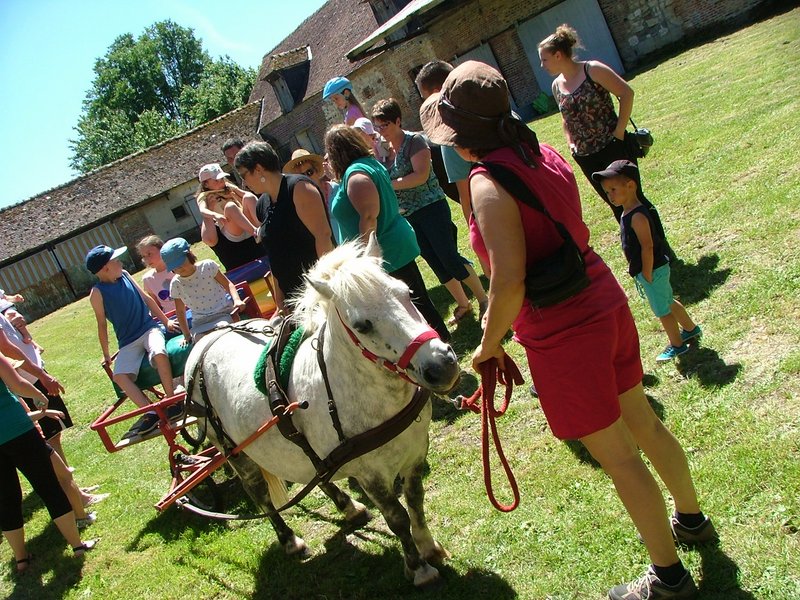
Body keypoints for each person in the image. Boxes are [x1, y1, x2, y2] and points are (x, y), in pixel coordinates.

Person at [420, 61, 716, 600]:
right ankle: (691, 519)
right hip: (601, 296)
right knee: (644, 424)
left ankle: (669, 578)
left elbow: (509, 281)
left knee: (620, 456)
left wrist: (488, 345)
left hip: (562, 327)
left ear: (461, 137)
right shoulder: (541, 151)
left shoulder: (487, 183)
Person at [538, 24, 675, 259]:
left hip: (613, 147)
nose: (542, 65)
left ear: (558, 55)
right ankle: (639, 255)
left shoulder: (592, 70)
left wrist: (619, 132)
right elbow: (565, 118)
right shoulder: (556, 86)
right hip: (586, 156)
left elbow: (626, 93)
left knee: (634, 200)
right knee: (615, 204)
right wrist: (571, 142)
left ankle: (661, 251)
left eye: (544, 59)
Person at [323, 124, 450, 341]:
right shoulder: (366, 165)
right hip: (392, 246)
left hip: (386, 252)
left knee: (413, 306)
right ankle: (440, 341)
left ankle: (441, 343)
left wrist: (366, 260)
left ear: (336, 153)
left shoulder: (356, 175)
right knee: (416, 302)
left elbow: (369, 217)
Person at [372, 98, 488, 325]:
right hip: (409, 215)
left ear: (398, 121)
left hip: (431, 208)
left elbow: (421, 175)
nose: (381, 131)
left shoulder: (415, 141)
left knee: (449, 257)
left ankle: (483, 299)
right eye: (378, 126)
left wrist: (388, 184)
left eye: (385, 125)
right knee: (434, 262)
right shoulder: (384, 151)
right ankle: (463, 304)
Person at [592, 161, 702, 362]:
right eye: (607, 192)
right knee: (667, 300)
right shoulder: (627, 212)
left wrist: (647, 272)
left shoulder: (637, 216)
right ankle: (690, 328)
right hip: (653, 270)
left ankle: (677, 345)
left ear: (630, 185)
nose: (610, 195)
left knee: (662, 310)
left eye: (613, 189)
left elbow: (647, 246)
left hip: (652, 270)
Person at [0, 352, 97, 573]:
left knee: (7, 499)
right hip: (18, 429)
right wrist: (39, 396)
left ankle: (21, 559)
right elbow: (17, 383)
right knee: (48, 486)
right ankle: (77, 546)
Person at [86, 245, 180, 439]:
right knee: (120, 376)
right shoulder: (97, 293)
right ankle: (151, 411)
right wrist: (106, 354)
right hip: (127, 341)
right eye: (115, 261)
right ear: (105, 268)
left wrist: (166, 321)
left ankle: (171, 400)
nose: (120, 263)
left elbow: (147, 299)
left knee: (159, 352)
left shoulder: (126, 276)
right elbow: (101, 324)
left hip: (148, 328)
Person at [234, 141, 335, 312]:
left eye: (244, 175)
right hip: (292, 298)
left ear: (258, 169)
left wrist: (326, 286)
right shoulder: (262, 204)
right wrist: (279, 299)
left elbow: (323, 237)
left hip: (320, 291)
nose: (244, 184)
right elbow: (274, 255)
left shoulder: (299, 188)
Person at [0, 313, 73, 465]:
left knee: (53, 434)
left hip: (30, 376)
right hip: (26, 380)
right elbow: (5, 347)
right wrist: (41, 375)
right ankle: (64, 479)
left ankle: (66, 478)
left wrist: (16, 322)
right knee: (47, 436)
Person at [160, 237, 245, 343]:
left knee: (224, 331)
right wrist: (186, 334)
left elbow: (228, 284)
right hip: (200, 322)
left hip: (223, 312)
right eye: (174, 267)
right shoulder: (176, 284)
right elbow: (180, 311)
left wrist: (237, 300)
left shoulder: (208, 266)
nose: (179, 269)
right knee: (199, 340)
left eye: (181, 264)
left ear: (190, 254)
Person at [136, 236, 175, 314]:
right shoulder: (148, 279)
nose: (146, 259)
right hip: (171, 318)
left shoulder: (177, 268)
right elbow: (156, 306)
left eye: (149, 254)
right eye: (144, 256)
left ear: (161, 249)